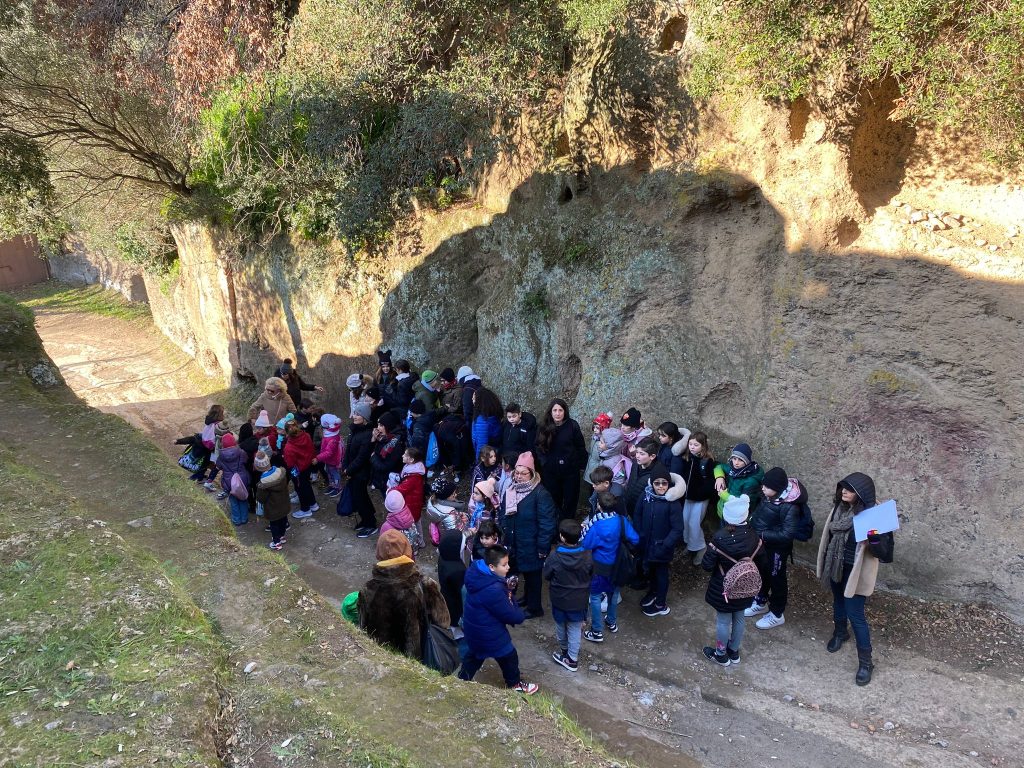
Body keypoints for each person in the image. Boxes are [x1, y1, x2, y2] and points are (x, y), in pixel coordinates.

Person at [817, 472, 894, 686]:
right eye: (842, 487)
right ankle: (841, 633)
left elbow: (886, 554)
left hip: (856, 573)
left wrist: (875, 541)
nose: (844, 491)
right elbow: (830, 537)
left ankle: (866, 662)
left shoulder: (875, 516)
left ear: (861, 494)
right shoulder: (839, 510)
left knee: (856, 615)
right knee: (838, 602)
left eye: (849, 489)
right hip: (836, 567)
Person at [458, 545, 539, 695]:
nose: (508, 567)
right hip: (488, 633)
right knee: (509, 656)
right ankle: (515, 684)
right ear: (491, 566)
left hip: (475, 628)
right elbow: (513, 615)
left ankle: (460, 681)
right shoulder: (493, 590)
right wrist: (509, 592)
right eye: (504, 565)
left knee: (475, 655)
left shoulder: (476, 571)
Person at [358, 530, 450, 662]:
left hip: (382, 656)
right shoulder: (424, 584)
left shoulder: (367, 590)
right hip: (416, 655)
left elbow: (363, 627)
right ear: (407, 549)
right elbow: (443, 621)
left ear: (379, 553)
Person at [701, 494, 770, 666]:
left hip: (724, 588)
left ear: (726, 515)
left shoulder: (719, 537)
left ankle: (721, 654)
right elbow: (763, 563)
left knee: (723, 621)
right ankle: (734, 651)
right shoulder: (754, 537)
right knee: (739, 619)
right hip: (746, 587)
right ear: (745, 515)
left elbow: (707, 565)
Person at [498, 451, 557, 619]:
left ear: (532, 473)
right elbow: (503, 511)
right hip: (513, 540)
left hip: (531, 543)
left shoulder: (540, 494)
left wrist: (543, 546)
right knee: (517, 571)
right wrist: (503, 527)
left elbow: (547, 523)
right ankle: (527, 598)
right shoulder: (511, 489)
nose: (519, 476)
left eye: (524, 473)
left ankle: (535, 607)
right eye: (517, 473)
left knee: (533, 577)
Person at [746, 466, 806, 630]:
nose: (763, 488)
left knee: (777, 578)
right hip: (763, 545)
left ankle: (777, 613)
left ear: (778, 489)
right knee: (762, 572)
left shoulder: (790, 507)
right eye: (763, 485)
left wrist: (763, 535)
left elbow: (787, 534)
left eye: (767, 486)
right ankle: (761, 601)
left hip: (777, 550)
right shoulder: (768, 496)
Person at [582, 491, 639, 643]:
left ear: (599, 506)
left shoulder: (596, 523)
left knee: (594, 597)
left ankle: (596, 631)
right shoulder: (621, 520)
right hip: (618, 565)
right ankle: (612, 622)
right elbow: (635, 538)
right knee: (613, 595)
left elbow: (586, 543)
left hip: (600, 566)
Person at [636, 464, 686, 616]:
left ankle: (660, 604)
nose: (661, 486)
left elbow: (678, 529)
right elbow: (637, 514)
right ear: (652, 483)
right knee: (650, 571)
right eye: (657, 483)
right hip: (647, 544)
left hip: (662, 547)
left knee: (661, 574)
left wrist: (665, 545)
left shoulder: (673, 504)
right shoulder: (645, 496)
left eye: (664, 483)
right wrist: (639, 533)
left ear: (669, 484)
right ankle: (653, 592)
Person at [543, 519, 593, 672]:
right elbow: (590, 573)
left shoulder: (554, 556)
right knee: (575, 627)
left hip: (560, 598)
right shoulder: (587, 555)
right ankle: (572, 658)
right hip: (579, 599)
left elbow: (547, 575)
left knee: (560, 624)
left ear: (562, 537)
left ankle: (564, 652)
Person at [535, 398, 587, 522]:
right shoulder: (544, 427)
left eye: (560, 410)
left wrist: (578, 465)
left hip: (570, 472)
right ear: (550, 412)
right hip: (551, 472)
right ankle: (554, 527)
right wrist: (545, 463)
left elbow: (580, 446)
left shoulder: (572, 425)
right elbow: (537, 446)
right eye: (555, 410)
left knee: (570, 500)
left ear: (565, 412)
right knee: (553, 500)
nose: (557, 413)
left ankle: (568, 528)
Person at [679, 431, 716, 564]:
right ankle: (690, 545)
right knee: (685, 520)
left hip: (700, 498)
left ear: (703, 446)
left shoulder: (707, 461)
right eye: (690, 444)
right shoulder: (688, 458)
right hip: (688, 497)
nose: (692, 447)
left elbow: (710, 483)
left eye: (696, 444)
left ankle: (701, 548)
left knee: (694, 523)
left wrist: (701, 494)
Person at [342, 402, 376, 536]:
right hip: (353, 471)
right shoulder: (355, 431)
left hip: (360, 474)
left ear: (365, 418)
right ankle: (366, 518)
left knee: (360, 498)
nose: (353, 416)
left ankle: (370, 524)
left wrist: (348, 471)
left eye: (357, 414)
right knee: (360, 497)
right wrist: (345, 467)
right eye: (354, 413)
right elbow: (348, 451)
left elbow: (362, 458)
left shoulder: (367, 435)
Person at [713, 443, 764, 521]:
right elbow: (719, 466)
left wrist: (725, 496)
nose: (736, 463)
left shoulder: (751, 481)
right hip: (724, 511)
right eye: (734, 458)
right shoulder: (733, 469)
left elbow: (744, 503)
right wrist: (719, 477)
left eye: (740, 460)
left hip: (736, 518)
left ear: (747, 461)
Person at [282, 420, 318, 519]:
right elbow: (312, 449)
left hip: (298, 470)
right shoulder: (306, 435)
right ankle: (313, 504)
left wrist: (293, 474)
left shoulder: (288, 447)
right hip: (308, 465)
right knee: (306, 485)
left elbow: (290, 463)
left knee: (300, 488)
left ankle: (305, 509)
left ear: (286, 432)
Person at [254, 451, 290, 550]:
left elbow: (261, 498)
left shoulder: (263, 483)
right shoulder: (280, 471)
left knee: (274, 524)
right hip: (284, 503)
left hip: (273, 508)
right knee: (283, 520)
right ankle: (282, 536)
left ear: (258, 467)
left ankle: (276, 542)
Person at [216, 433, 250, 526]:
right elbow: (246, 460)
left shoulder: (221, 456)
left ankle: (236, 520)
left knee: (233, 501)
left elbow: (218, 466)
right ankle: (244, 518)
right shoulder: (241, 452)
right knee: (243, 498)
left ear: (223, 444)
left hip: (229, 481)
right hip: (242, 479)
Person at [369, 412, 405, 494]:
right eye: (378, 425)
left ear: (388, 426)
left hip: (389, 482)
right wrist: (373, 440)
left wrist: (373, 457)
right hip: (382, 479)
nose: (378, 428)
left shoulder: (395, 444)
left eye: (381, 425)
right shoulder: (384, 438)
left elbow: (385, 466)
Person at [315, 413, 344, 497]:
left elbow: (329, 452)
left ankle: (338, 487)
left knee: (334, 473)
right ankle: (332, 485)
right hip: (328, 460)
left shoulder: (332, 439)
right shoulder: (330, 433)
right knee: (329, 472)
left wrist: (318, 458)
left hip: (333, 460)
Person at [470, 387, 503, 461]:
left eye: (474, 398)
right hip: (494, 450)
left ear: (480, 401)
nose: (472, 400)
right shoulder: (493, 413)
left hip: (487, 455)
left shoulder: (482, 420)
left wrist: (479, 462)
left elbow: (482, 445)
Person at [583, 412, 614, 490]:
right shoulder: (594, 437)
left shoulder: (604, 442)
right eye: (594, 427)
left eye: (597, 428)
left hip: (597, 472)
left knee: (594, 489)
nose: (595, 430)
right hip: (590, 467)